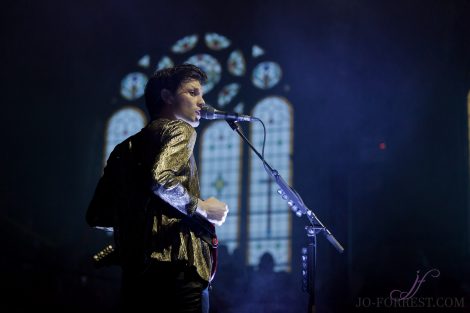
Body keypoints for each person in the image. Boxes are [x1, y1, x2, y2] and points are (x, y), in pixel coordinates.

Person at [86, 64, 229, 313]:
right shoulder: (180, 129)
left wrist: (136, 223)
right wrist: (202, 208)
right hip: (180, 268)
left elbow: (98, 214)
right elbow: (160, 179)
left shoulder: (123, 148)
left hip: (136, 274)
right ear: (167, 96)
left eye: (201, 94)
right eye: (192, 92)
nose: (201, 102)